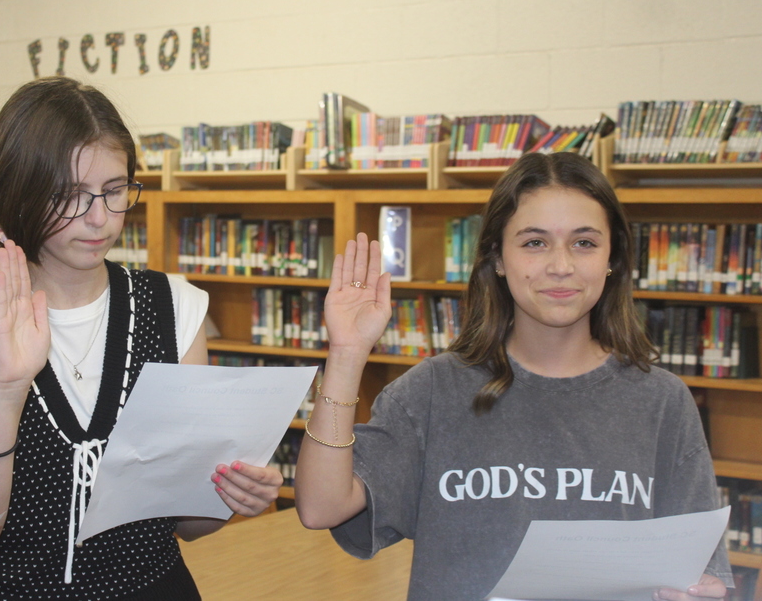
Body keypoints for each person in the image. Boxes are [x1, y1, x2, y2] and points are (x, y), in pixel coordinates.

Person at [0, 76, 281, 600]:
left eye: (115, 191)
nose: (99, 219)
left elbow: (187, 524)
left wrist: (229, 497)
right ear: (17, 193)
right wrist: (5, 390)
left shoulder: (176, 309)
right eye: (70, 196)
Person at [294, 151, 731, 601]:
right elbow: (320, 507)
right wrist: (346, 355)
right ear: (498, 258)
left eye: (584, 242)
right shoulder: (434, 389)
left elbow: (699, 569)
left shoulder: (662, 401)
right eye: (534, 242)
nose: (560, 265)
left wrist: (700, 592)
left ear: (611, 258)